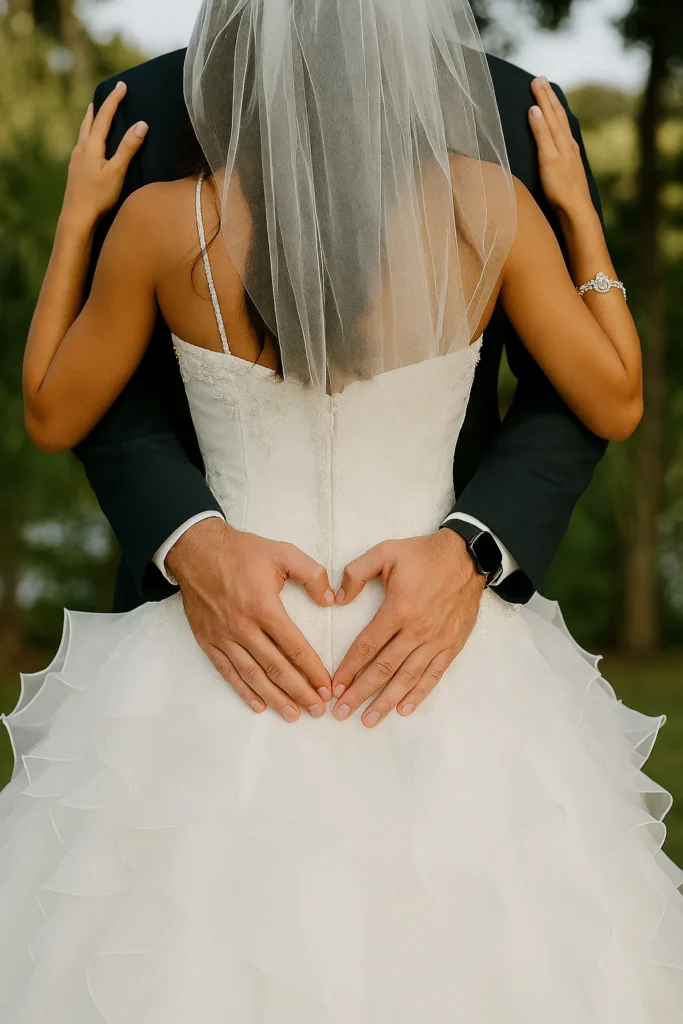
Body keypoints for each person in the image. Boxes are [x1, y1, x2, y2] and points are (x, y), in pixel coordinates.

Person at [1, 0, 682, 1019]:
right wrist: (579, 221)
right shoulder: (489, 202)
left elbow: (52, 405)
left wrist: (74, 222)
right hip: (427, 686)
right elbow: (615, 395)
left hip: (215, 691)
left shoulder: (165, 218)